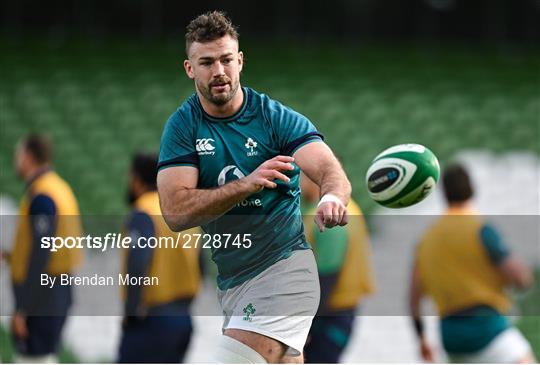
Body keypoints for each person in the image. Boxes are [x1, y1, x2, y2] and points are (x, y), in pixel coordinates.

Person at [157, 11, 351, 364]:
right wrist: (243, 185)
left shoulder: (273, 118)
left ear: (240, 61)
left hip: (284, 270)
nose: (219, 71)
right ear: (190, 68)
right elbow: (175, 212)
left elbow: (328, 168)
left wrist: (333, 195)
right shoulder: (182, 127)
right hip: (233, 282)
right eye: (207, 62)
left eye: (226, 60)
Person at [409, 163, 536, 363]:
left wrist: (422, 338)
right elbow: (520, 278)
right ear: (472, 189)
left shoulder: (426, 240)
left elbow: (413, 299)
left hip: (450, 336)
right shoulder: (480, 229)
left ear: (445, 194)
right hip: (486, 328)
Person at [118, 152, 201, 363]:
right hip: (183, 318)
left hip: (152, 320)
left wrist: (131, 311)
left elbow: (138, 261)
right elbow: (201, 266)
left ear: (137, 179)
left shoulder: (144, 213)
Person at [8, 134, 83, 362]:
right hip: (56, 288)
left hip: (44, 294)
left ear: (29, 157)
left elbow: (42, 251)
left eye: (19, 155)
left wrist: (24, 307)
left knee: (35, 359)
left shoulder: (43, 195)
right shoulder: (58, 186)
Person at [300, 173, 375, 363]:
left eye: (300, 174)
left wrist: (304, 327)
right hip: (337, 314)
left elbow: (327, 275)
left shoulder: (328, 214)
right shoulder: (349, 206)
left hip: (328, 317)